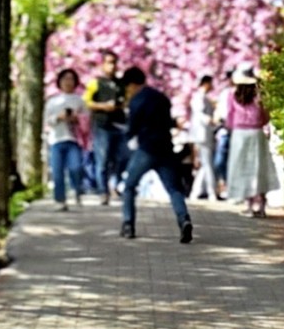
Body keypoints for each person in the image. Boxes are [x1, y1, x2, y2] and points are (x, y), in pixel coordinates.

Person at [119, 66, 193, 244]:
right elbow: (168, 122)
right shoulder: (162, 98)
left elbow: (132, 127)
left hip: (147, 149)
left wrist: (126, 139)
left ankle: (128, 224)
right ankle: (184, 219)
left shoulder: (137, 100)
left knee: (129, 186)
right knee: (174, 189)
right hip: (166, 149)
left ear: (131, 84)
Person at [225, 65, 279, 216]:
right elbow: (266, 115)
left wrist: (231, 127)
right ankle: (261, 205)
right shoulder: (259, 95)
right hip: (256, 133)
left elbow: (229, 116)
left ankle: (249, 205)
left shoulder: (232, 94)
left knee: (243, 168)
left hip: (240, 133)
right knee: (260, 167)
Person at [84, 49, 129, 204]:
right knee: (102, 160)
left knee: (122, 158)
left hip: (120, 125)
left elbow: (128, 100)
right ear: (102, 64)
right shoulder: (95, 83)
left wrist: (121, 105)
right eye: (109, 62)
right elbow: (87, 102)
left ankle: (115, 186)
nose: (113, 66)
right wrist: (103, 106)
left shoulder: (121, 84)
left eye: (115, 62)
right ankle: (103, 192)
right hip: (102, 125)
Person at [43, 68, 85, 210]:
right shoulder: (52, 101)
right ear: (59, 82)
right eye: (65, 79)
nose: (68, 82)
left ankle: (77, 191)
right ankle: (60, 200)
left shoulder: (79, 101)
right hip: (56, 140)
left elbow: (86, 121)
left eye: (71, 79)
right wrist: (58, 117)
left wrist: (75, 118)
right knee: (57, 172)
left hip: (73, 140)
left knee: (76, 167)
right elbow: (47, 120)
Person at [189, 73, 218, 202]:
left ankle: (196, 192)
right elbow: (199, 114)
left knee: (204, 165)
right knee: (208, 164)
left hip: (205, 134)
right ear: (206, 83)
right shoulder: (199, 97)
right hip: (202, 135)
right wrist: (210, 120)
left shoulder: (204, 97)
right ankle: (212, 192)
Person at [213, 69, 234, 195]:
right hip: (224, 130)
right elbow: (220, 111)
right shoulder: (225, 93)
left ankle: (233, 188)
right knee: (219, 161)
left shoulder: (239, 93)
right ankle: (227, 183)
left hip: (237, 130)